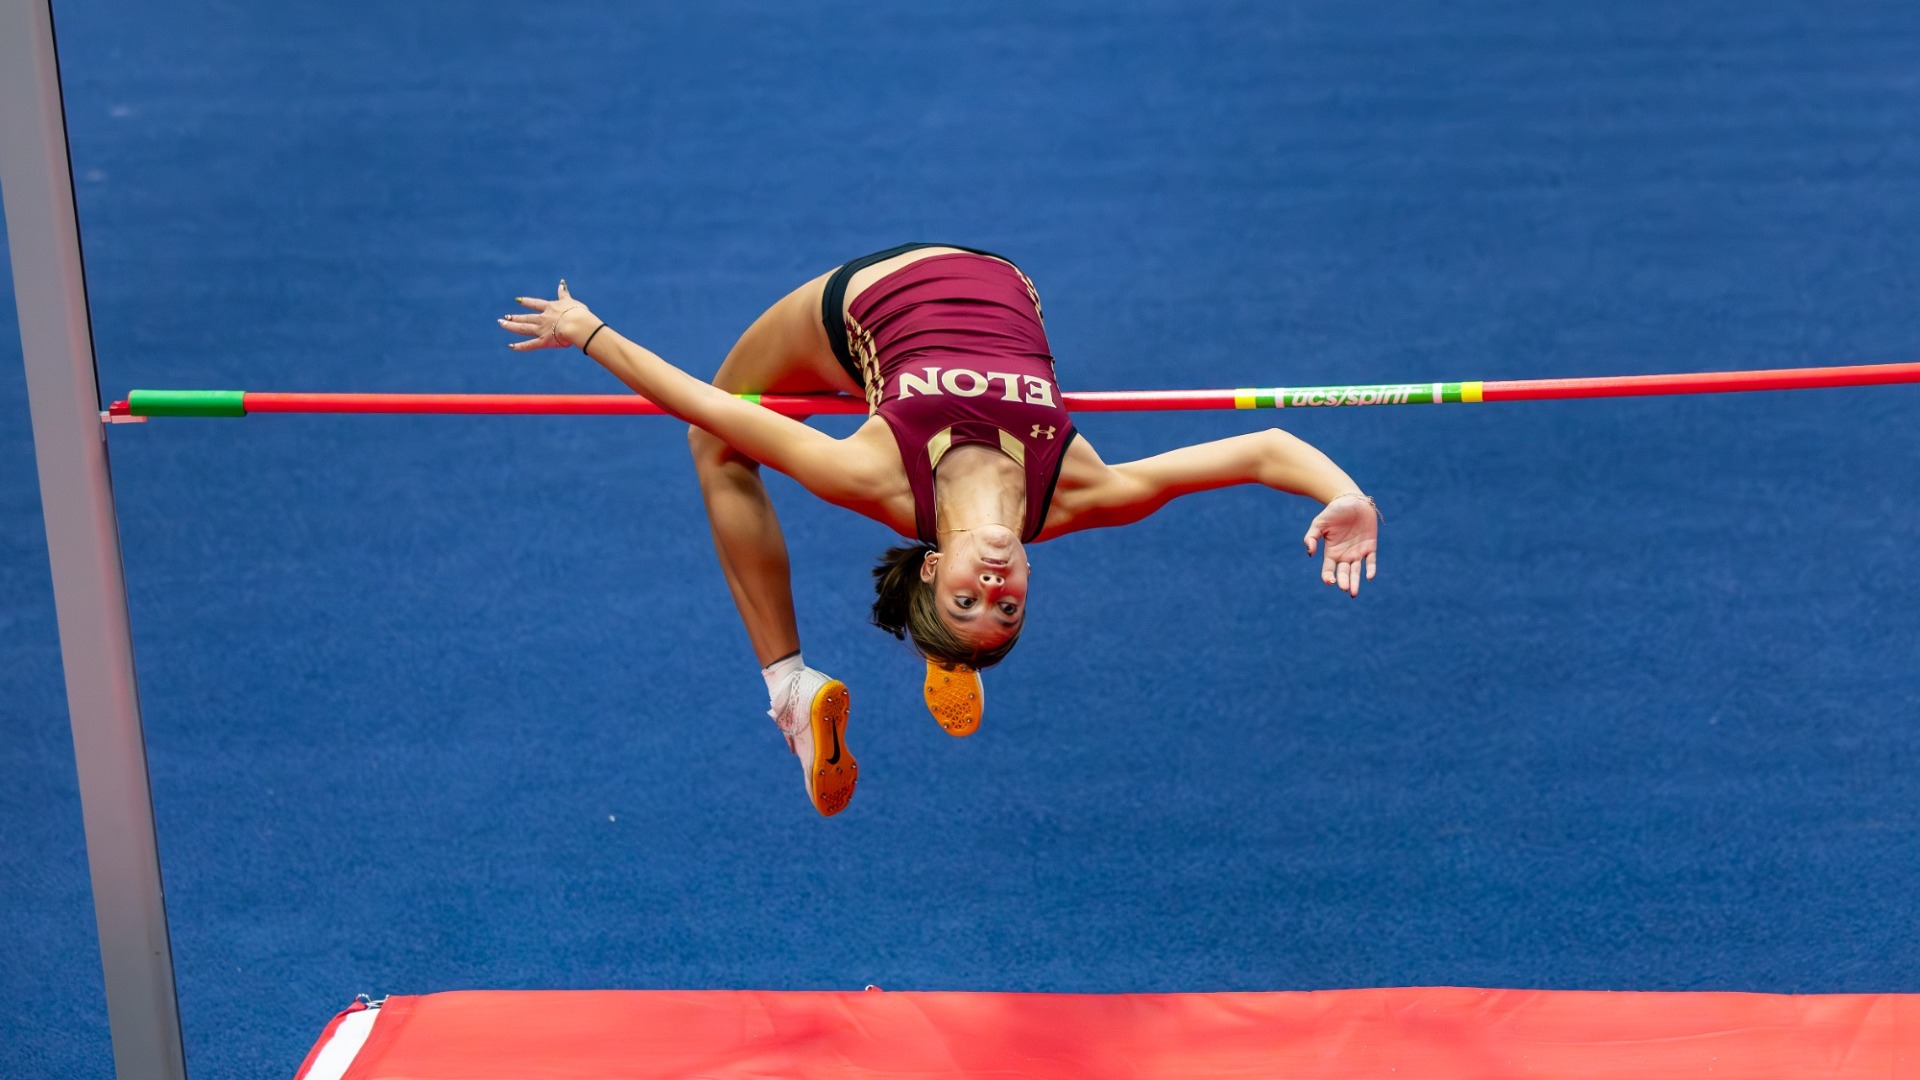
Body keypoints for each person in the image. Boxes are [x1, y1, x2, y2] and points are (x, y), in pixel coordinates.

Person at [499, 243, 1380, 817]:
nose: (997, 579)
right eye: (1007, 605)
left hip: (861, 306)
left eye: (969, 595)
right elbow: (1266, 448)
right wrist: (1343, 495)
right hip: (1005, 273)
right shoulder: (1079, 494)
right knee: (758, 436)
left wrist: (590, 333)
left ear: (930, 570)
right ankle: (943, 652)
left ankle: (790, 690)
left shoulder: (871, 475)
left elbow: (704, 401)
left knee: (716, 444)